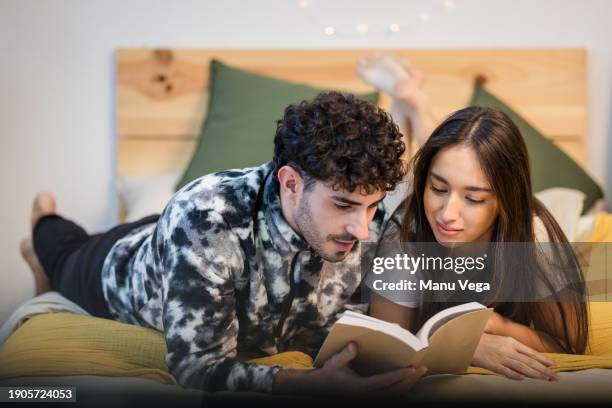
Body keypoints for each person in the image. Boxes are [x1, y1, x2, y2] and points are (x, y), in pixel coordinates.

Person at [19, 91, 427, 395]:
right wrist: (308, 385)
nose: (360, 228)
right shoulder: (204, 218)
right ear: (290, 183)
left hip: (188, 243)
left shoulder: (378, 221)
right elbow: (197, 368)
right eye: (343, 205)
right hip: (118, 263)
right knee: (58, 245)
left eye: (372, 207)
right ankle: (42, 227)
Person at [358, 55, 588, 382]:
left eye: (474, 198)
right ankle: (408, 101)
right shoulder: (406, 235)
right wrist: (463, 346)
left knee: (456, 163)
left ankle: (412, 101)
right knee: (393, 184)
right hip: (408, 210)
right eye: (437, 188)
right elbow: (385, 347)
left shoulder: (534, 237)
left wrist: (494, 325)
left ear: (503, 200)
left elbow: (569, 345)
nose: (448, 215)